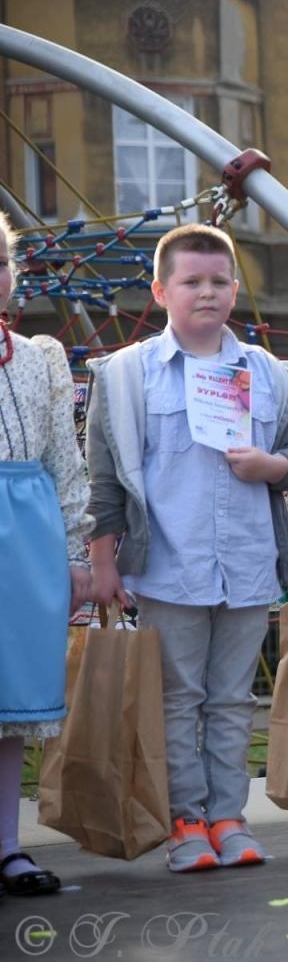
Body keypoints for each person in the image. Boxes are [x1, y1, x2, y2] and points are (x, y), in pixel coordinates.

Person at [86, 223, 288, 871]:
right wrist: (103, 562)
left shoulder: (267, 373)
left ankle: (229, 819)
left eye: (219, 281)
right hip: (167, 568)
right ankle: (185, 822)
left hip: (247, 564)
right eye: (192, 282)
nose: (207, 293)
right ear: (161, 290)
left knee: (232, 700)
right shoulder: (128, 375)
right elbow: (105, 478)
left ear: (235, 288)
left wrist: (269, 466)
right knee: (177, 698)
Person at [0, 213, 90, 900]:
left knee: (14, 700)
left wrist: (75, 552)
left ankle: (8, 844)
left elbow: (65, 459)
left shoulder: (39, 357)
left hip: (26, 538)